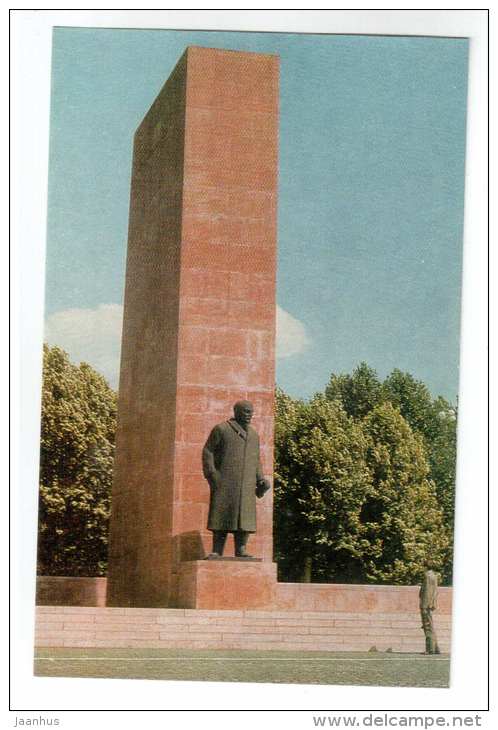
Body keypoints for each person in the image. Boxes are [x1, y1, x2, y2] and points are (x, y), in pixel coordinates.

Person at [202, 400, 271, 558]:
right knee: (221, 515)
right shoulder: (222, 429)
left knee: (244, 517)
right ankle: (217, 551)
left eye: (251, 412)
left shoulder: (253, 435)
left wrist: (260, 478)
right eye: (246, 411)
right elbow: (208, 451)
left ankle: (241, 550)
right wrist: (212, 475)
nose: (249, 415)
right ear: (236, 412)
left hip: (246, 483)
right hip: (225, 481)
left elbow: (256, 459)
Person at [419, 568, 441, 654]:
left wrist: (425, 605)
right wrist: (433, 602)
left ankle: (430, 649)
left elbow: (427, 591)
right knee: (431, 626)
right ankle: (435, 648)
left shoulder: (427, 576)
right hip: (429, 603)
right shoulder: (434, 575)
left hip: (426, 604)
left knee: (427, 627)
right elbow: (435, 591)